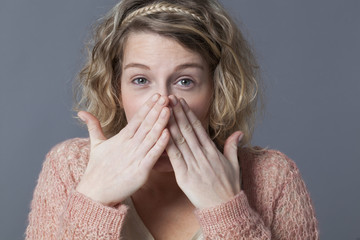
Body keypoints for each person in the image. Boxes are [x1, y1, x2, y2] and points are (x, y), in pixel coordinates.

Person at [25, 0, 319, 239]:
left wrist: (227, 212)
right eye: (141, 80)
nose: (163, 106)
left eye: (185, 82)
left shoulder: (272, 178)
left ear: (217, 90)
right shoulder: (70, 168)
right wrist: (93, 203)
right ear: (116, 89)